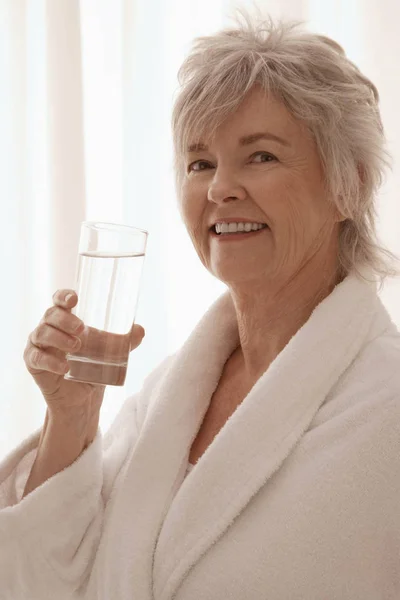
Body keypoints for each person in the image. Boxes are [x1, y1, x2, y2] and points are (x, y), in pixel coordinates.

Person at [1, 10, 400, 600]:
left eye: (260, 156)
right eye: (200, 163)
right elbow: (48, 584)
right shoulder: (165, 399)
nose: (219, 188)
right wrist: (72, 418)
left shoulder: (385, 404)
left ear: (350, 183)